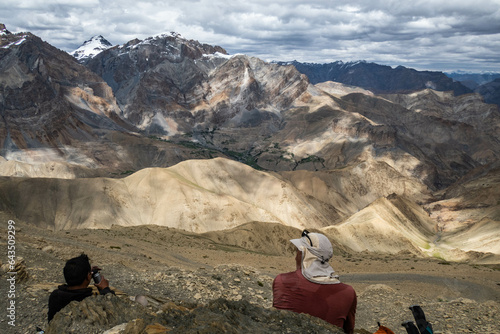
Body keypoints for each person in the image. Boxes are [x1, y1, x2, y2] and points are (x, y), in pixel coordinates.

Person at [272, 230, 357, 334]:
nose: (295, 257)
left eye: (298, 252)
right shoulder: (348, 293)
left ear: (304, 254)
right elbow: (349, 330)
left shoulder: (281, 282)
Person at [47, 253, 115, 322]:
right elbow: (114, 308)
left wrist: (84, 272)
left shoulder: (55, 295)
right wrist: (105, 289)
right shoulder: (89, 300)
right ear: (88, 276)